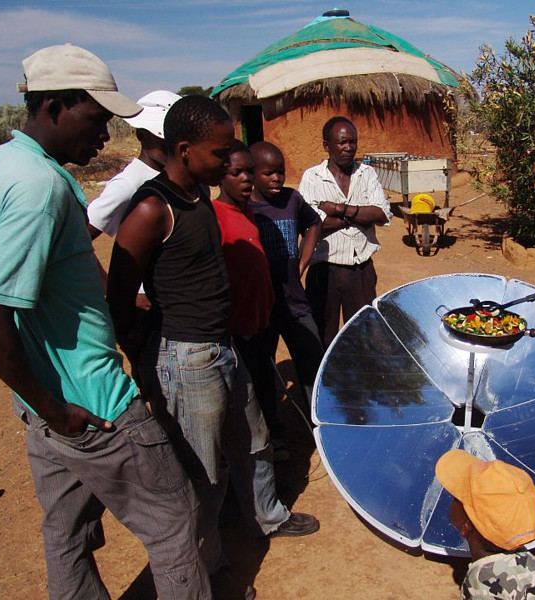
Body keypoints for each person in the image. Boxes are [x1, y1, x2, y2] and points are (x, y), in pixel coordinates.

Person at [0, 44, 210, 600]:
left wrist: (43, 403)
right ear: (57, 106)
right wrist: (59, 408)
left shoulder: (2, 164)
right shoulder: (41, 187)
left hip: (46, 406)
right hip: (93, 406)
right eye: (97, 118)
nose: (106, 136)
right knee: (176, 522)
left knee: (66, 535)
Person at [106, 96, 318, 599]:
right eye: (221, 154)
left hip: (223, 348)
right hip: (186, 358)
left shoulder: (199, 198)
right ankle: (209, 570)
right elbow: (118, 293)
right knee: (201, 476)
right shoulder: (153, 208)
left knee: (255, 440)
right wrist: (142, 354)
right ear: (184, 149)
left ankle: (265, 517)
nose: (229, 164)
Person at [247, 141, 323, 444]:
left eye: (280, 172)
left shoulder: (292, 200)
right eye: (268, 173)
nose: (276, 179)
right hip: (262, 308)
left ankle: (320, 427)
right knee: (261, 373)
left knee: (313, 365)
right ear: (252, 174)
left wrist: (303, 261)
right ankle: (273, 433)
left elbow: (314, 223)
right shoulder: (246, 208)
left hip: (294, 301)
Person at [212, 140, 282, 458]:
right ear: (220, 176)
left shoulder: (249, 211)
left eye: (249, 172)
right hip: (237, 332)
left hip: (261, 325)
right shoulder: (215, 217)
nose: (246, 179)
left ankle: (272, 443)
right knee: (244, 401)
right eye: (236, 172)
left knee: (264, 387)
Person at [299, 116, 392, 347]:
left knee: (363, 331)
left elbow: (382, 214)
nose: (348, 148)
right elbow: (309, 227)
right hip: (325, 269)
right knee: (323, 332)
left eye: (353, 142)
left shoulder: (366, 173)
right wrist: (357, 217)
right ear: (326, 145)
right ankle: (322, 379)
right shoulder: (312, 177)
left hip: (360, 269)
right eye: (342, 142)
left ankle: (358, 378)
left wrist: (338, 210)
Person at [435, 449, 535, 600]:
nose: (452, 501)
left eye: (457, 499)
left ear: (466, 526)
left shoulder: (481, 588)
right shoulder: (528, 561)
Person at [87, 89, 181, 239]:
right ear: (142, 136)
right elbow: (82, 235)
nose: (174, 146)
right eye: (164, 139)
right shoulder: (129, 184)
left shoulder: (183, 176)